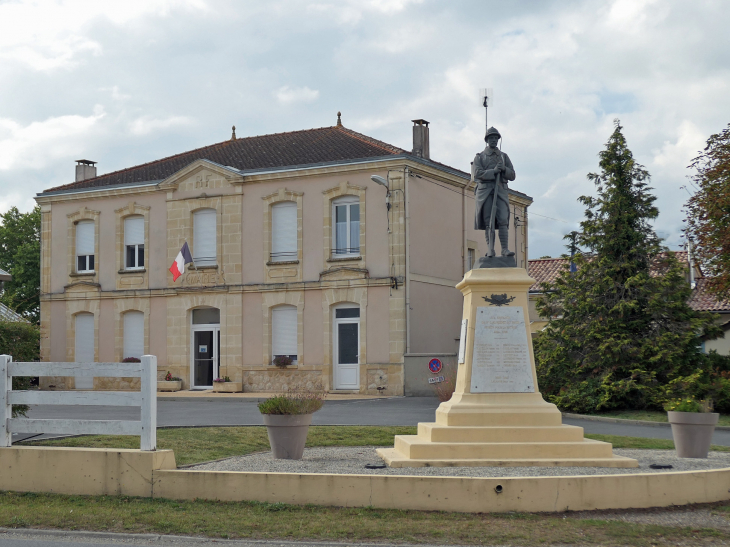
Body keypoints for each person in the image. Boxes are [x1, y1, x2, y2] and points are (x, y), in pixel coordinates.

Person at [473, 126, 515, 257]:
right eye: (491, 138)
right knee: (488, 221)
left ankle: (504, 249)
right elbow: (477, 174)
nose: (494, 140)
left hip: (501, 191)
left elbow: (512, 175)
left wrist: (504, 170)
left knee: (503, 219)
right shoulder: (480, 157)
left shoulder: (504, 157)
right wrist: (493, 172)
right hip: (485, 192)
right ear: (487, 140)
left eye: (496, 138)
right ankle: (490, 249)